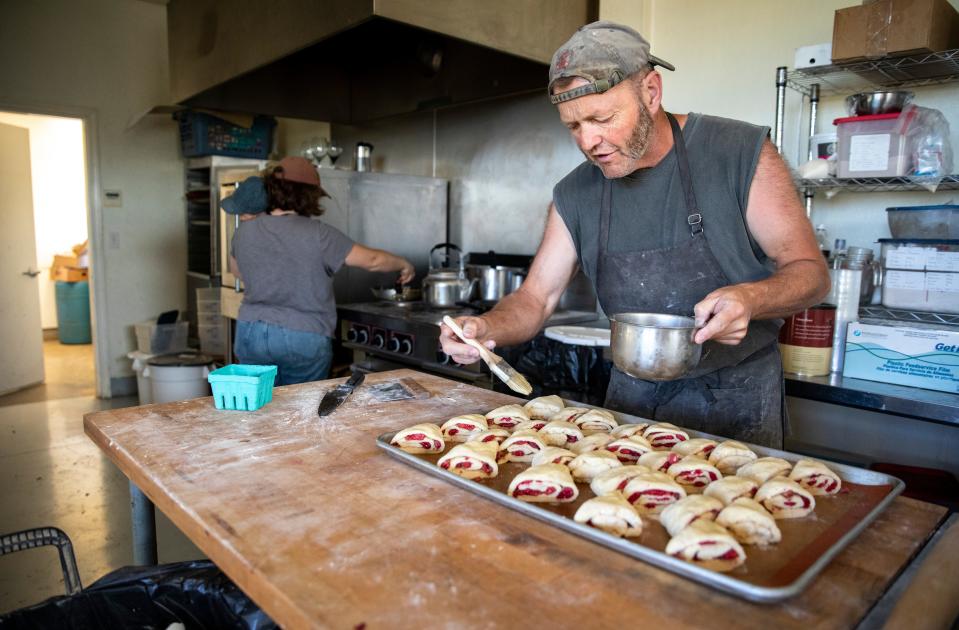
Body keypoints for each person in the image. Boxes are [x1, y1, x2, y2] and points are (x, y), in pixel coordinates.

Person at [439, 21, 830, 448]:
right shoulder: (575, 193)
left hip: (735, 399)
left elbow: (810, 273)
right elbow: (536, 299)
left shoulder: (737, 153)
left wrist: (752, 299)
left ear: (651, 92)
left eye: (602, 118)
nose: (589, 141)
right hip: (630, 405)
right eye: (573, 126)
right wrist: (483, 327)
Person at [227, 156, 414, 385]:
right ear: (308, 196)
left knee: (257, 407)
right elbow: (373, 260)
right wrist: (404, 264)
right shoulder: (318, 234)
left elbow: (237, 272)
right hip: (302, 335)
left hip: (250, 331)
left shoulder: (243, 231)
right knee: (302, 410)